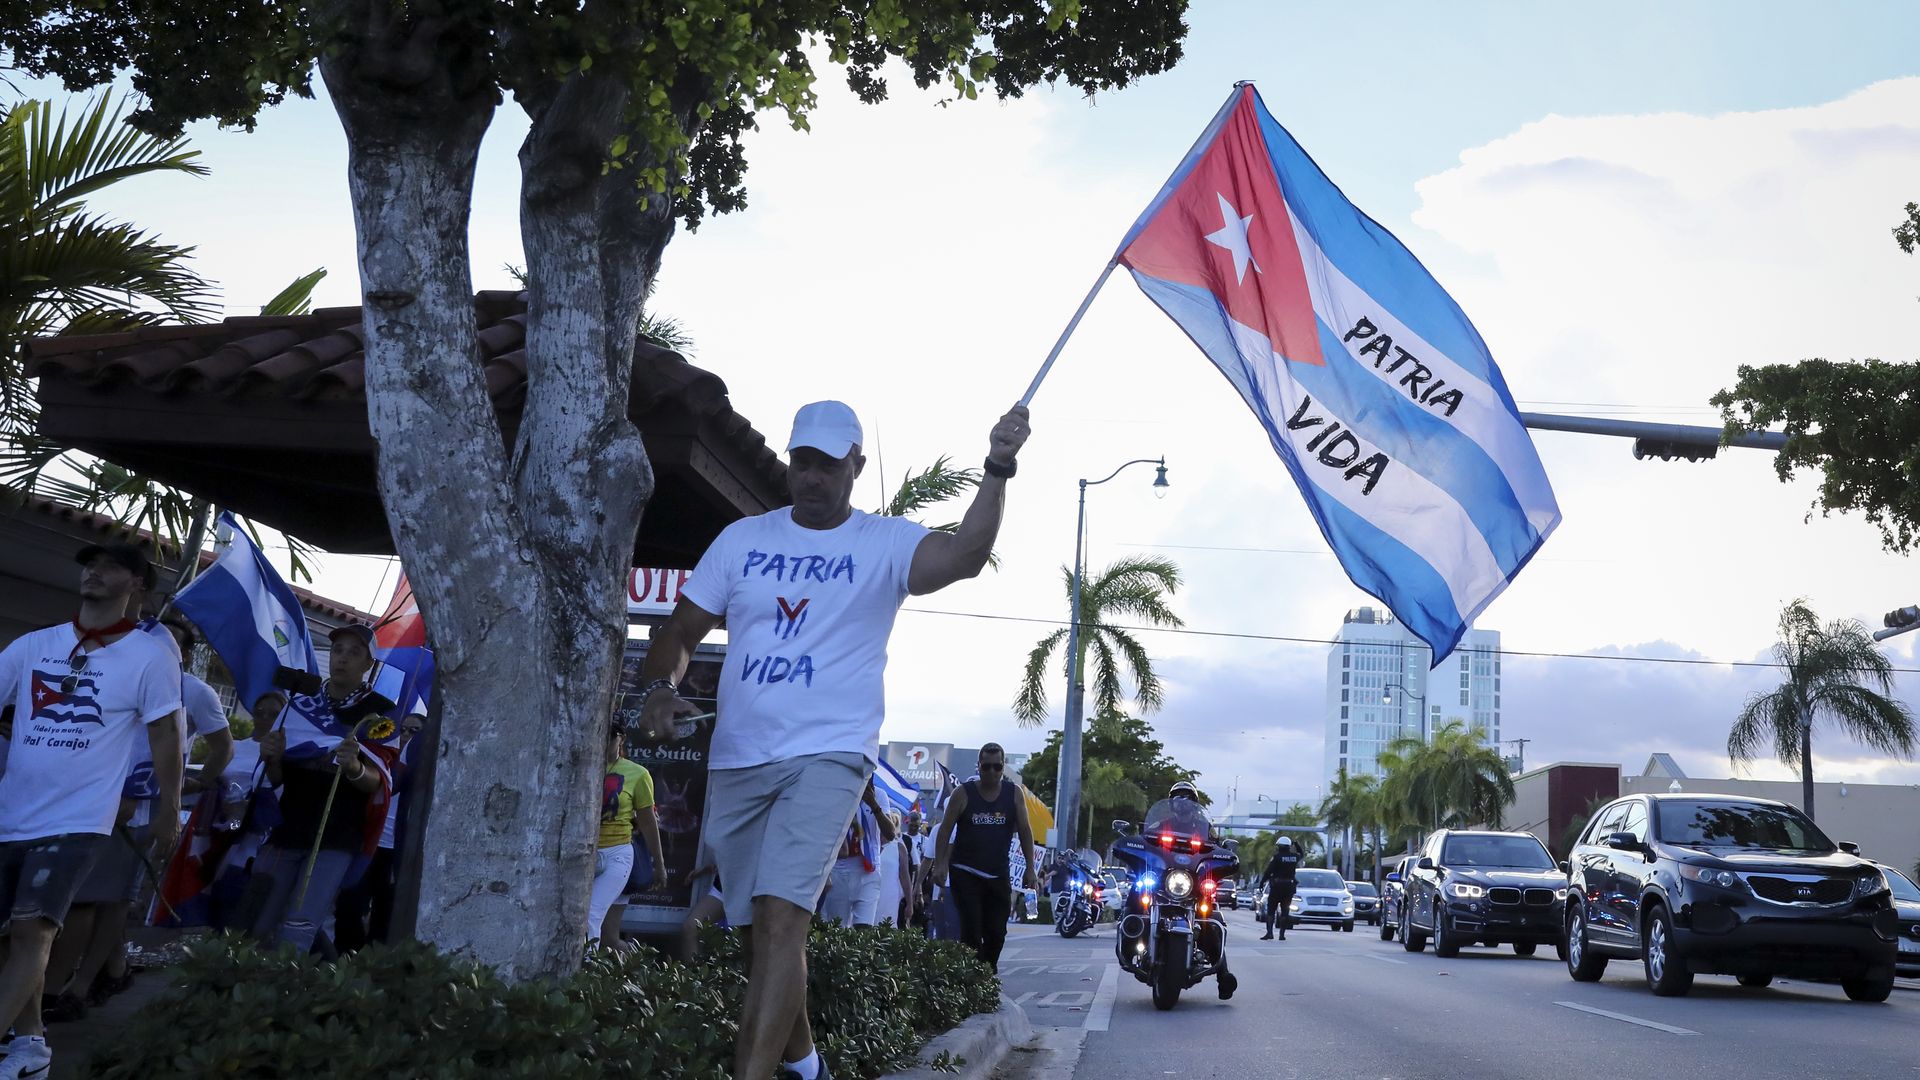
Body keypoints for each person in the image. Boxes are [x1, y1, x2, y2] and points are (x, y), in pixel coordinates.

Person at [637, 398, 1030, 1080]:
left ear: (856, 465)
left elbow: (965, 554)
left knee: (784, 919)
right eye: (802, 463)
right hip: (739, 757)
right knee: (758, 933)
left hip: (829, 755)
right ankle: (811, 1067)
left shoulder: (882, 543)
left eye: (827, 464)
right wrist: (659, 688)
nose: (811, 477)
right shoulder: (743, 541)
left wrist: (996, 466)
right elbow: (679, 632)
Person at [0, 543, 183, 1080]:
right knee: (10, 937)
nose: (94, 573)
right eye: (89, 564)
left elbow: (167, 734)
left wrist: (168, 807)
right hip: (12, 812)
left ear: (137, 586)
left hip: (79, 818)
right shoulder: (35, 645)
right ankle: (30, 1044)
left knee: (34, 929)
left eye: (111, 567)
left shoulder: (150, 656)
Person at [43, 617, 234, 1020]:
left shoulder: (194, 692)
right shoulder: (115, 676)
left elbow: (223, 747)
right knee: (100, 900)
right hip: (86, 803)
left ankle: (72, 989)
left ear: (183, 654)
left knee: (98, 901)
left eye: (163, 643)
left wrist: (189, 786)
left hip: (137, 812)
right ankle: (113, 971)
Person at [246, 624, 395, 953]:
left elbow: (380, 781)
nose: (342, 658)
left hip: (336, 836)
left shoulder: (382, 713)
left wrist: (354, 767)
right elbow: (277, 779)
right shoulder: (299, 703)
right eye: (338, 650)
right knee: (255, 918)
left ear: (368, 664)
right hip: (285, 828)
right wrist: (271, 757)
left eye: (354, 653)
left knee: (300, 926)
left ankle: (286, 994)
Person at [931, 744, 1038, 971]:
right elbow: (945, 829)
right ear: (978, 767)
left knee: (997, 933)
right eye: (986, 767)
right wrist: (940, 865)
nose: (991, 772)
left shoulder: (1014, 793)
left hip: (998, 873)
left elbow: (1026, 830)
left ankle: (985, 974)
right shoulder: (963, 793)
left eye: (996, 767)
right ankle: (974, 979)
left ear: (1003, 768)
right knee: (971, 930)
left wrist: (1031, 868)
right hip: (965, 871)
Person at [334, 709, 426, 952]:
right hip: (368, 847)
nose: (406, 735)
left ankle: (373, 968)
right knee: (349, 907)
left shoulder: (422, 766)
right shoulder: (381, 759)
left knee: (384, 916)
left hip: (396, 853)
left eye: (414, 731)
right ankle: (344, 962)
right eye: (402, 730)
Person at [591, 726, 666, 947]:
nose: (605, 739)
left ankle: (633, 971)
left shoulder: (637, 774)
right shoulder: (580, 765)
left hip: (617, 853)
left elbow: (650, 822)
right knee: (600, 933)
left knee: (604, 930)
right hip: (583, 856)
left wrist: (659, 865)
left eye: (611, 735)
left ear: (621, 738)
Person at [818, 779, 896, 927]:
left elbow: (890, 834)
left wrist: (873, 804)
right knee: (838, 930)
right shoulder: (838, 792)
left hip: (869, 870)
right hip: (839, 872)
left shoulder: (879, 794)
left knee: (864, 930)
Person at [1260, 834, 1302, 940]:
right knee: (1285, 911)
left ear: (1280, 846)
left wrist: (1262, 882)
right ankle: (1282, 935)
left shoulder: (1277, 857)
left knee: (1271, 910)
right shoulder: (1294, 857)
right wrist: (1296, 844)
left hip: (1277, 887)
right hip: (1289, 887)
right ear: (1288, 846)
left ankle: (1269, 933)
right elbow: (1301, 854)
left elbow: (1269, 871)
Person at [875, 810, 912, 928]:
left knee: (886, 928)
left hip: (889, 896)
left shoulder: (899, 847)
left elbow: (905, 878)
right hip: (869, 894)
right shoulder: (870, 844)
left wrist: (909, 904)